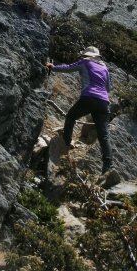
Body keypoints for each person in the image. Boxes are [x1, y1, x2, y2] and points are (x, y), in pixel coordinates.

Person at [46, 46, 114, 175]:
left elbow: (68, 68)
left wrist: (52, 67)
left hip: (89, 97)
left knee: (71, 117)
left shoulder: (85, 62)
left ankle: (66, 144)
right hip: (104, 103)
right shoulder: (105, 68)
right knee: (104, 136)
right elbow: (108, 88)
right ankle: (107, 167)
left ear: (87, 56)